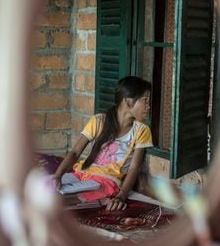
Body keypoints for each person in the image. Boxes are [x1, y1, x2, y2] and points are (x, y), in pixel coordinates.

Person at [53, 76, 152, 211]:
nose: (148, 107)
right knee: (45, 188)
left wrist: (121, 196)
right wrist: (57, 176)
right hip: (82, 175)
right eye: (145, 101)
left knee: (64, 201)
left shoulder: (141, 131)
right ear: (128, 102)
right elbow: (75, 152)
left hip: (107, 182)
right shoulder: (98, 121)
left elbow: (134, 168)